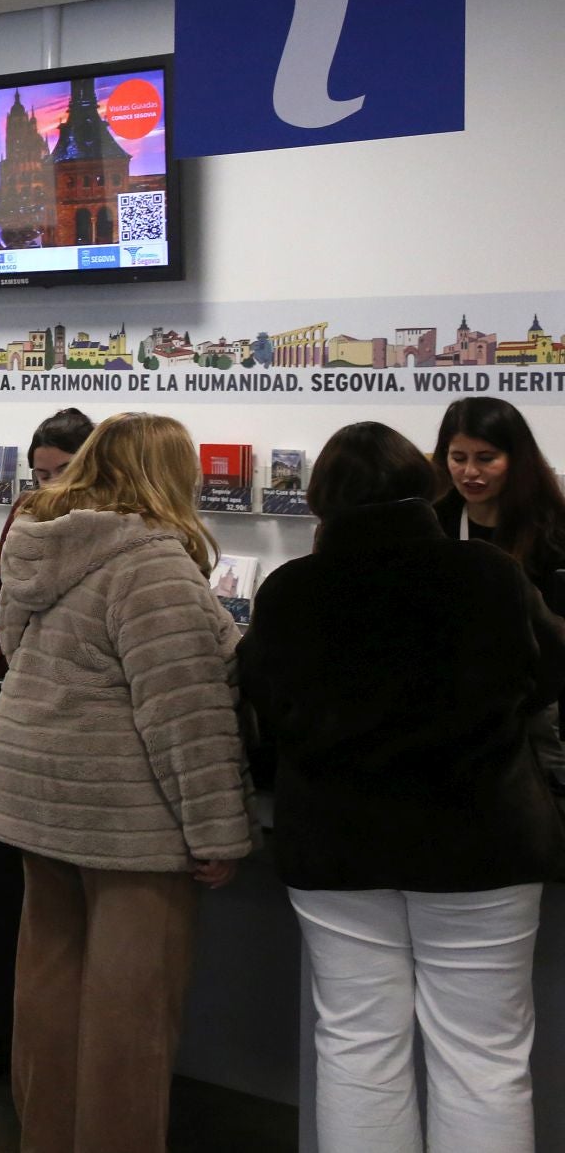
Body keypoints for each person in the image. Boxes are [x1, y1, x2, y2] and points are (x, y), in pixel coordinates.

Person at [239, 421, 565, 1153]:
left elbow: (261, 700)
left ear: (322, 498)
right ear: (425, 484)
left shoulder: (291, 591)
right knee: (483, 1056)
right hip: (484, 841)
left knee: (358, 1045)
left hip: (337, 846)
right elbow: (547, 674)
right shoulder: (487, 573)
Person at [0, 411, 252, 1153]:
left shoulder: (39, 543)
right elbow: (186, 715)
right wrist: (217, 832)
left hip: (37, 794)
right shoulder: (154, 563)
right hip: (125, 814)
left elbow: (13, 645)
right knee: (130, 1016)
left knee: (48, 988)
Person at [0, 408, 95, 690]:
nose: (55, 484)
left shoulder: (111, 519)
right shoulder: (26, 510)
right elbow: (2, 595)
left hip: (82, 678)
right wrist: (7, 657)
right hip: (19, 668)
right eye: (43, 476)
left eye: (65, 471)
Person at [432, 396, 565, 614]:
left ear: (517, 459)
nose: (470, 472)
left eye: (485, 458)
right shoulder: (433, 522)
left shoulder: (552, 532)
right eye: (458, 458)